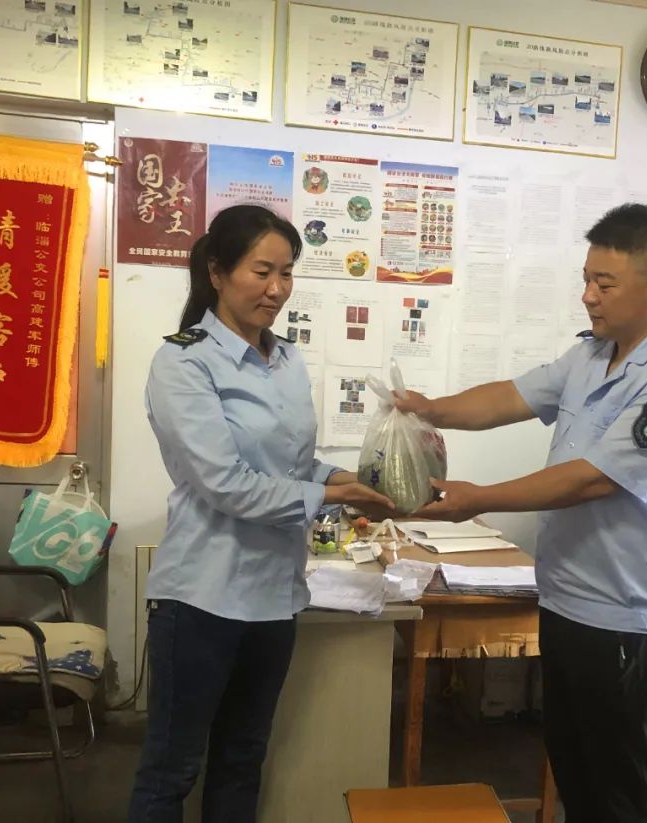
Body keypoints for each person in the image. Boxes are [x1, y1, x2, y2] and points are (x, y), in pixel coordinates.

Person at [397, 204, 647, 823]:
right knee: (577, 776)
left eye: (605, 284)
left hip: (627, 617)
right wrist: (430, 409)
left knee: (627, 796)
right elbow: (512, 396)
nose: (588, 297)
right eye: (587, 280)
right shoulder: (595, 354)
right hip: (567, 600)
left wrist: (479, 498)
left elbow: (591, 480)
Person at [128, 205, 393, 823]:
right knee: (172, 770)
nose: (276, 289)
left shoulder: (287, 361)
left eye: (287, 273)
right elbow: (226, 484)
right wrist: (334, 496)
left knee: (243, 760)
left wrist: (365, 483)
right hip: (202, 598)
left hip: (274, 597)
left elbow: (296, 465)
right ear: (217, 273)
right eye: (261, 271)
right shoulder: (184, 362)